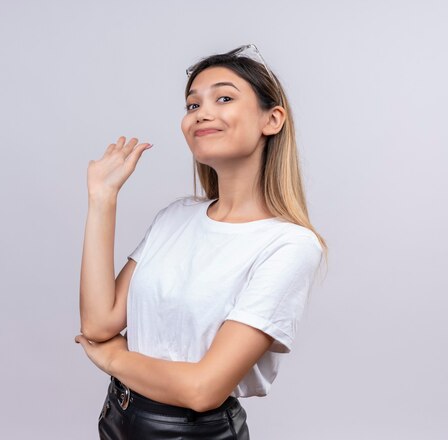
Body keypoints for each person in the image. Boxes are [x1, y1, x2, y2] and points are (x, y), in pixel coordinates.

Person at [75, 43, 329, 440]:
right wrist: (102, 200)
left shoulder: (289, 245)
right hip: (117, 418)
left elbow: (203, 389)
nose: (201, 114)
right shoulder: (176, 216)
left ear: (272, 119)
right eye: (192, 105)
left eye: (223, 98)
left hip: (190, 434)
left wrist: (111, 357)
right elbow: (98, 322)